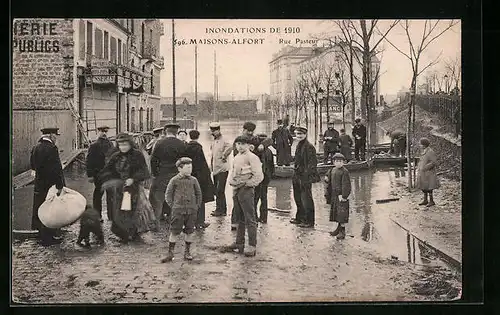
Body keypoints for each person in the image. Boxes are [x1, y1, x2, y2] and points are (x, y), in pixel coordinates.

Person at [98, 133, 153, 243]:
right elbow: (107, 170)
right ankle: (124, 234)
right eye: (120, 145)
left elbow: (144, 171)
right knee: (120, 212)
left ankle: (134, 233)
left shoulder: (137, 155)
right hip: (119, 190)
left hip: (134, 189)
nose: (123, 147)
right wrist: (109, 181)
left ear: (130, 144)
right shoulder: (116, 156)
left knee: (133, 211)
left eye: (125, 145)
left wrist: (133, 179)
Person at [222, 136, 264, 257]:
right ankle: (239, 243)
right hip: (236, 190)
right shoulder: (236, 157)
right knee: (239, 218)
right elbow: (233, 172)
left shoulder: (252, 157)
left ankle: (252, 246)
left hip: (246, 191)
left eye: (243, 144)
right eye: (238, 144)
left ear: (248, 145)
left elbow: (259, 176)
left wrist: (247, 184)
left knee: (250, 219)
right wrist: (231, 182)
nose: (240, 146)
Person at [162, 157, 202, 262]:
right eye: (187, 167)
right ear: (180, 169)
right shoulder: (174, 180)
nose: (190, 170)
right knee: (174, 231)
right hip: (178, 211)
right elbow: (168, 195)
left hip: (191, 211)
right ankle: (170, 253)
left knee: (189, 231)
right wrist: (174, 206)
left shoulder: (194, 180)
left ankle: (187, 252)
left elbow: (198, 194)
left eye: (191, 167)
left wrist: (196, 206)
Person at [30, 127, 66, 246]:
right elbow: (56, 169)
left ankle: (41, 235)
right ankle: (48, 238)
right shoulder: (52, 148)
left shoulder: (35, 148)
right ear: (51, 135)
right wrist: (60, 185)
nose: (56, 138)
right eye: (55, 135)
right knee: (50, 209)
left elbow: (33, 166)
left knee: (40, 208)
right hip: (50, 185)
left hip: (39, 184)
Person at [149, 123, 187, 228]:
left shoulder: (159, 143)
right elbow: (184, 160)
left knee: (157, 198)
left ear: (166, 131)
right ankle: (173, 221)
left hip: (162, 173)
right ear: (176, 132)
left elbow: (153, 160)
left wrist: (155, 173)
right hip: (176, 174)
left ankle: (156, 223)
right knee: (175, 197)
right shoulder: (181, 144)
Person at [230, 121, 261, 230]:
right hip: (240, 175)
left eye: (252, 132)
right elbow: (236, 156)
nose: (250, 134)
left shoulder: (254, 139)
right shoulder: (238, 141)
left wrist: (261, 145)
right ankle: (236, 223)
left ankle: (248, 223)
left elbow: (267, 142)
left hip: (250, 175)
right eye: (248, 132)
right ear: (244, 130)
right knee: (237, 201)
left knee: (250, 202)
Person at [289, 126, 320, 228]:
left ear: (305, 135)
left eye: (301, 134)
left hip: (305, 176)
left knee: (306, 199)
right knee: (297, 197)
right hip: (297, 175)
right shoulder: (298, 145)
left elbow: (312, 163)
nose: (299, 136)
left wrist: (307, 175)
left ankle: (309, 221)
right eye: (297, 134)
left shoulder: (309, 147)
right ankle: (300, 218)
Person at [86, 125, 117, 222]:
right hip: (104, 174)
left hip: (104, 174)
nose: (104, 133)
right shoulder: (102, 145)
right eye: (103, 131)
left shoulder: (105, 144)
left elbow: (89, 161)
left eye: (105, 132)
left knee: (105, 195)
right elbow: (89, 161)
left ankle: (105, 216)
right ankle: (104, 216)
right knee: (104, 195)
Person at [186, 129, 215, 229]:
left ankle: (189, 222)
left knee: (190, 199)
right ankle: (200, 222)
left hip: (189, 175)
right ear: (198, 137)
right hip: (199, 177)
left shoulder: (186, 147)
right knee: (200, 199)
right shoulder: (199, 148)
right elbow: (202, 165)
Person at [324, 153, 352, 240]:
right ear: (334, 162)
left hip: (341, 196)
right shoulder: (332, 170)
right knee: (336, 213)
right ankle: (338, 229)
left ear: (343, 162)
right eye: (337, 161)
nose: (338, 163)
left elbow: (346, 185)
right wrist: (326, 178)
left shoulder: (344, 172)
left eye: (340, 161)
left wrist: (344, 195)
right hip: (334, 195)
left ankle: (342, 231)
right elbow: (328, 177)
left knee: (342, 214)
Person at [208, 122, 233, 217]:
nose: (213, 133)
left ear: (219, 130)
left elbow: (230, 147)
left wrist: (224, 155)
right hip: (215, 169)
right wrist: (211, 166)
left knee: (220, 190)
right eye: (212, 131)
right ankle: (220, 208)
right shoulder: (214, 141)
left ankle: (222, 210)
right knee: (216, 190)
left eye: (215, 131)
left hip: (223, 169)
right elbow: (212, 155)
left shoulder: (224, 140)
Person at [254, 134, 275, 223]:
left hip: (258, 178)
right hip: (266, 177)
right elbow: (272, 166)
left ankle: (254, 217)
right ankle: (264, 218)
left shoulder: (256, 151)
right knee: (264, 198)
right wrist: (270, 176)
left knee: (255, 198)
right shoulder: (269, 151)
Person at [416, 138, 440, 207]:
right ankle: (425, 200)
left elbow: (434, 162)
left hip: (428, 173)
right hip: (423, 173)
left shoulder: (430, 152)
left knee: (430, 187)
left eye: (420, 144)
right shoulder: (424, 151)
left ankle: (431, 201)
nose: (419, 145)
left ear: (424, 145)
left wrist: (425, 167)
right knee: (424, 186)